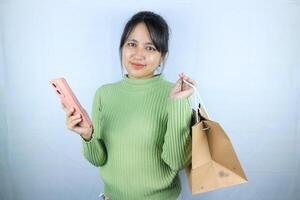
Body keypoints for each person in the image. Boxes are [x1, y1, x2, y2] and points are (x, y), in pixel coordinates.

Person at [61, 11, 197, 200]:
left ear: (162, 56)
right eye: (132, 44)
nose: (138, 54)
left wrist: (178, 103)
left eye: (150, 48)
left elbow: (176, 162)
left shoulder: (176, 94)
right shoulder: (104, 94)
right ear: (122, 48)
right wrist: (87, 135)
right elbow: (98, 159)